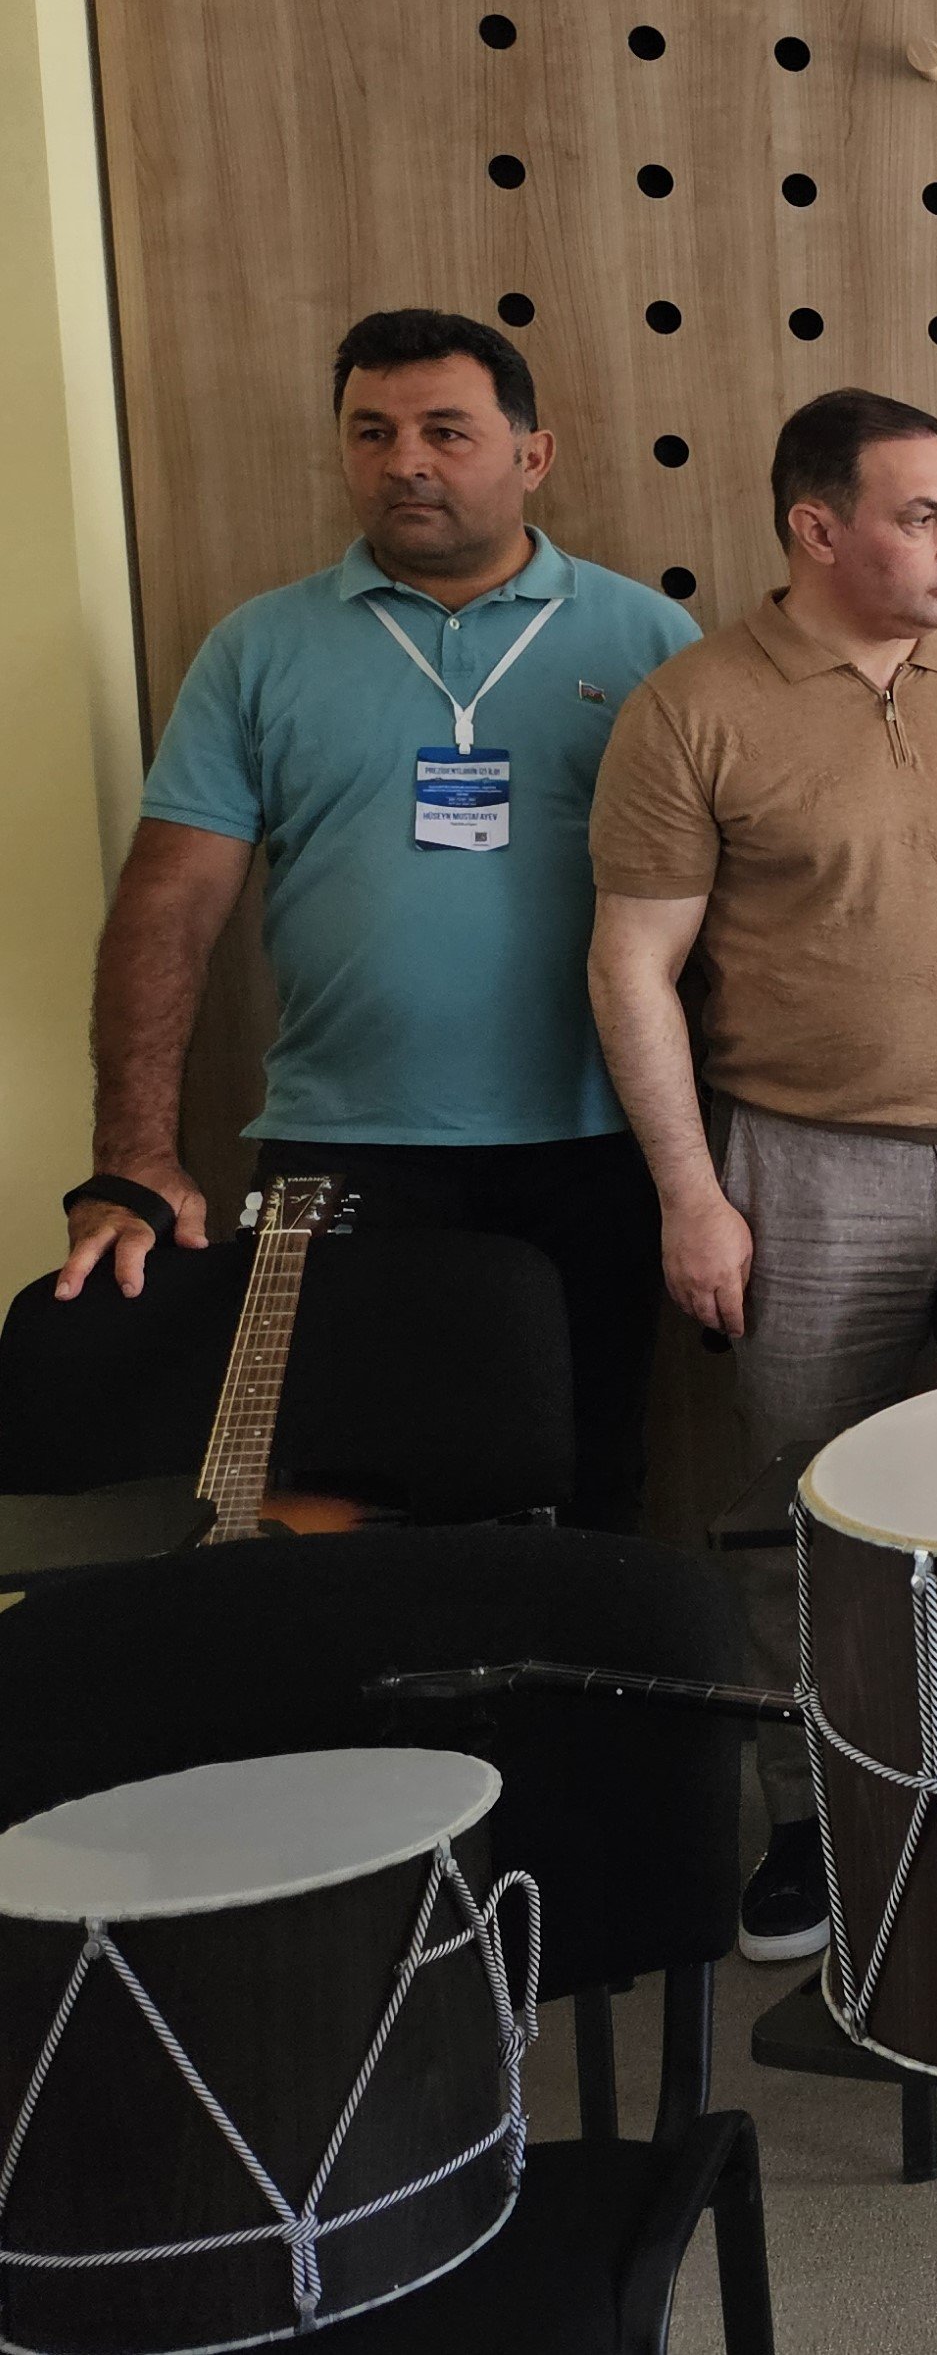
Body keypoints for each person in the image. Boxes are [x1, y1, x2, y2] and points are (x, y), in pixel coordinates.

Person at [588, 388, 937, 1961]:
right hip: (807, 1171)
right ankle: (815, 1819)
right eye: (921, 516)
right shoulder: (694, 709)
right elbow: (630, 968)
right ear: (817, 529)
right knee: (806, 1504)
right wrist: (693, 1195)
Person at [55, 309, 697, 1530]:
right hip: (338, 1154)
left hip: (593, 1145)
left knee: (583, 1489)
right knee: (334, 1505)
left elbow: (730, 903)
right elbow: (169, 902)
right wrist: (133, 1151)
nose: (405, 461)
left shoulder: (650, 642)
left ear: (532, 455)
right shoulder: (257, 647)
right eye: (372, 432)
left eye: (447, 431)